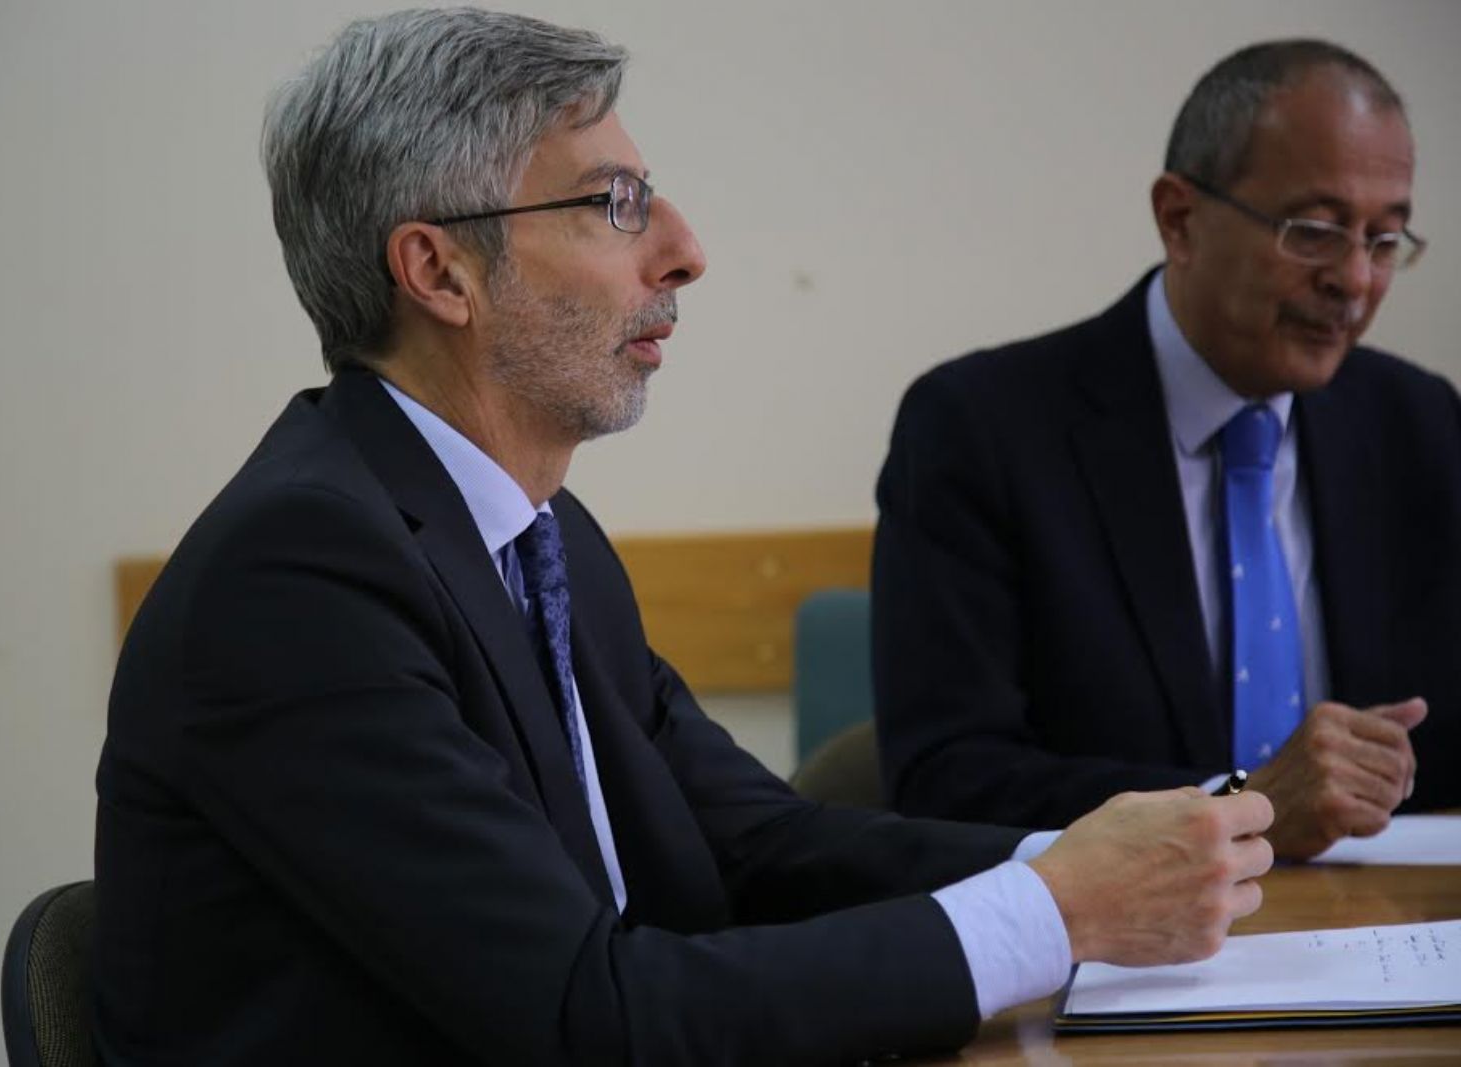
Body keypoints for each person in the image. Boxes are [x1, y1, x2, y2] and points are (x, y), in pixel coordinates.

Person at [93, 10, 1272, 1065]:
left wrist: (1083, 859)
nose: (683, 249)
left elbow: (761, 843)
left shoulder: (540, 534)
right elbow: (583, 1015)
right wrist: (1058, 910)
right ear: (438, 271)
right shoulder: (298, 577)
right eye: (614, 204)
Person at [874, 39, 1460, 862]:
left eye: (1385, 240)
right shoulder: (980, 429)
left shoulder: (1420, 424)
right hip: (1115, 926)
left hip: (1387, 915)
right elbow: (946, 779)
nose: (1355, 280)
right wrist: (1243, 802)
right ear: (1180, 219)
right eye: (1316, 231)